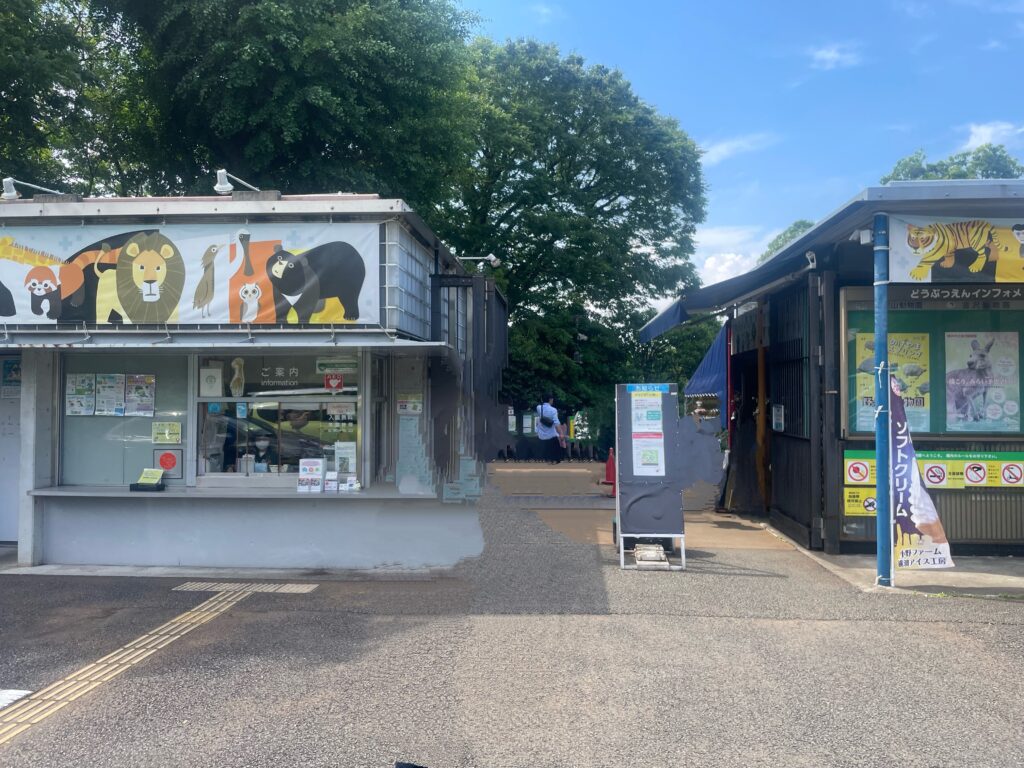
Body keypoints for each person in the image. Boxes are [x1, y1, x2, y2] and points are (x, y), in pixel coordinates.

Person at [535, 394, 566, 464]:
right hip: (551, 435)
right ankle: (556, 459)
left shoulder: (539, 408)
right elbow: (556, 423)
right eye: (552, 399)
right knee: (556, 442)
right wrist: (561, 433)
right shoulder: (553, 410)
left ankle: (547, 458)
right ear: (550, 400)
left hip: (541, 434)